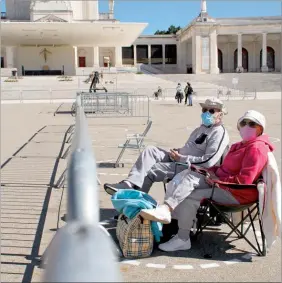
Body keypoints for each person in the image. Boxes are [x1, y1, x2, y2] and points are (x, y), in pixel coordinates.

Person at [140, 110, 274, 252]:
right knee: (190, 175)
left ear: (260, 128)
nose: (246, 126)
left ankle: (180, 235)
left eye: (252, 124)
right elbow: (224, 168)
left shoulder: (256, 148)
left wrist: (218, 181)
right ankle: (172, 222)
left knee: (190, 194)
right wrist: (211, 173)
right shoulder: (243, 144)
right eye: (243, 123)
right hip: (224, 185)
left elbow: (244, 180)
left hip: (236, 193)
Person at [104, 98, 229, 195]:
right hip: (180, 159)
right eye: (204, 110)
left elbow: (209, 161)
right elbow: (191, 147)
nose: (207, 113)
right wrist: (178, 152)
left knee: (152, 169)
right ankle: (129, 183)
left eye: (211, 111)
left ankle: (134, 206)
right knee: (150, 151)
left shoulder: (219, 133)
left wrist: (182, 158)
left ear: (220, 115)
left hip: (193, 168)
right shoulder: (201, 128)